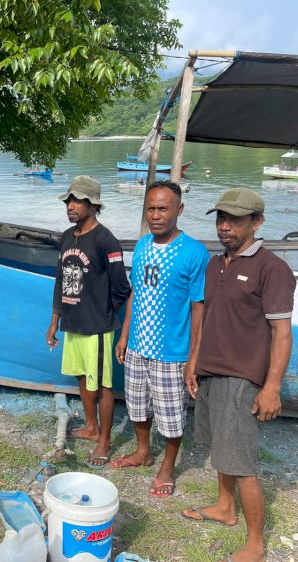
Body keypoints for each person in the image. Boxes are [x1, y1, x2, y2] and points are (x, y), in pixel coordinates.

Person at [183, 188, 295, 562]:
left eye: (234, 219)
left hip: (241, 378)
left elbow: (281, 332)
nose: (225, 226)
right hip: (211, 372)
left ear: (257, 222)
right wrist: (194, 362)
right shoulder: (217, 264)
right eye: (220, 218)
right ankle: (224, 507)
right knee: (220, 450)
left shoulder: (272, 268)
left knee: (241, 462)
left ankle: (255, 544)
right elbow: (207, 319)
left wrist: (272, 387)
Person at [113, 180, 209, 498]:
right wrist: (125, 335)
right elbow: (136, 294)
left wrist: (193, 356)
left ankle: (167, 466)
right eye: (151, 208)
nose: (156, 215)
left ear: (179, 210)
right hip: (139, 346)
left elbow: (199, 309)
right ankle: (143, 452)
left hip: (172, 352)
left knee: (171, 416)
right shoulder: (141, 246)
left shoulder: (195, 253)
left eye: (163, 208)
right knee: (137, 407)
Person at [46, 175, 130, 468]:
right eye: (69, 200)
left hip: (97, 327)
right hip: (72, 322)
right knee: (82, 376)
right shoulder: (68, 236)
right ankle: (91, 427)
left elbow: (122, 287)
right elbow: (60, 280)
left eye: (78, 200)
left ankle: (105, 440)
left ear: (93, 205)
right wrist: (55, 320)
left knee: (103, 385)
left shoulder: (106, 240)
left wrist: (105, 311)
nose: (71, 205)